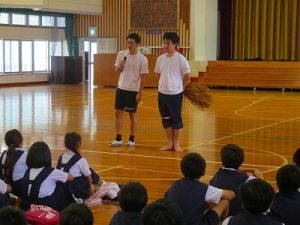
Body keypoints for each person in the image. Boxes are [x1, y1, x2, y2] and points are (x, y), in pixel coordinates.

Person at [164, 152, 235, 225]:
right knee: (224, 200)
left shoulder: (174, 185)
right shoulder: (205, 189)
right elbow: (231, 195)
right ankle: (222, 223)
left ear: (181, 170)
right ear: (204, 173)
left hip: (173, 222)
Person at [109, 33, 149, 148]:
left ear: (138, 44)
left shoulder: (142, 59)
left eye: (131, 43)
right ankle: (118, 138)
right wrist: (120, 65)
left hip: (133, 90)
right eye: (128, 42)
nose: (129, 45)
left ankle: (131, 139)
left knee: (132, 114)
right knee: (118, 113)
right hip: (121, 88)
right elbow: (116, 70)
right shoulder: (122, 54)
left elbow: (144, 77)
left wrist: (140, 93)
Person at [154, 32, 191, 152]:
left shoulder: (181, 58)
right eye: (164, 43)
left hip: (175, 94)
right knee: (165, 119)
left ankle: (177, 144)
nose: (166, 45)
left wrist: (181, 87)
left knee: (176, 119)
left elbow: (187, 76)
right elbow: (157, 73)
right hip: (162, 94)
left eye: (168, 43)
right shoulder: (160, 59)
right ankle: (170, 143)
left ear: (175, 44)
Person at [209, 144, 263, 216]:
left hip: (218, 213)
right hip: (237, 216)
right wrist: (254, 170)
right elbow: (263, 185)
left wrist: (251, 169)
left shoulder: (217, 172)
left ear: (221, 159)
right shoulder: (247, 179)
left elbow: (230, 169)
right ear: (241, 161)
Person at [19, 141, 74, 212]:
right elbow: (71, 178)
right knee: (62, 184)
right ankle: (63, 209)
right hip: (45, 204)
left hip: (27, 203)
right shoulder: (51, 171)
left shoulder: (28, 170)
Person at [56, 132, 105, 202]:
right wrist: (89, 187)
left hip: (62, 190)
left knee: (83, 172)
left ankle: (103, 184)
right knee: (89, 172)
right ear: (79, 144)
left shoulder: (61, 157)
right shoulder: (81, 160)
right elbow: (90, 180)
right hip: (76, 191)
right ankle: (104, 185)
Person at [0, 129, 28, 197]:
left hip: (6, 189)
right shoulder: (26, 155)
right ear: (21, 142)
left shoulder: (3, 154)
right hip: (20, 191)